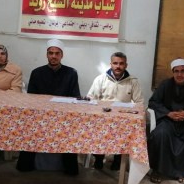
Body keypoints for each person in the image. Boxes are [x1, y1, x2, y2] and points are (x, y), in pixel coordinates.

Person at [16, 39, 81, 175]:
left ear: (62, 55)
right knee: (29, 127)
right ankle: (27, 165)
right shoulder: (37, 72)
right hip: (40, 116)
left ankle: (69, 168)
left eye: (57, 53)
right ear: (47, 55)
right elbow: (31, 99)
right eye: (51, 53)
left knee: (71, 130)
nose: (54, 56)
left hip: (63, 117)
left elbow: (75, 97)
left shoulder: (71, 73)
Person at [86, 52, 144, 170]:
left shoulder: (133, 81)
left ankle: (118, 160)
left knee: (125, 130)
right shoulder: (101, 79)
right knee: (97, 128)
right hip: (103, 117)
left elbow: (139, 103)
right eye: (115, 63)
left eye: (121, 63)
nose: (118, 66)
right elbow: (91, 99)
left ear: (126, 65)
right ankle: (98, 158)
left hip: (123, 119)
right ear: (111, 64)